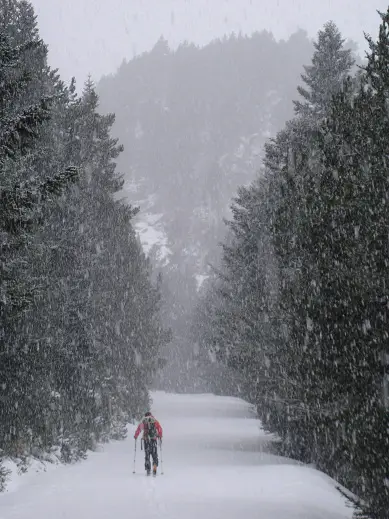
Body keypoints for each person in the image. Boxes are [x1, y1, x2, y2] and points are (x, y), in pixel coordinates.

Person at [134, 411, 163, 475]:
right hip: (153, 440)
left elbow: (139, 429)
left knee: (147, 455)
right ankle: (155, 467)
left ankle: (148, 469)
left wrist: (136, 436)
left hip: (146, 440)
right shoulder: (154, 421)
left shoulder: (144, 421)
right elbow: (159, 428)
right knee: (154, 454)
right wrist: (160, 435)